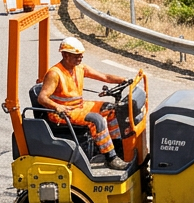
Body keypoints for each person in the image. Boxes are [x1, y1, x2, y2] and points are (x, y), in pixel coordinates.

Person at [37, 37, 131, 171]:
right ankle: (111, 158)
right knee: (96, 120)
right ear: (65, 55)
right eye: (77, 56)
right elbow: (42, 98)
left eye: (81, 55)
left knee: (110, 109)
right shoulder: (54, 73)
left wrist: (123, 80)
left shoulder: (80, 68)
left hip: (78, 107)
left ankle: (117, 149)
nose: (80, 58)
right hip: (62, 113)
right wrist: (57, 106)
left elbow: (104, 77)